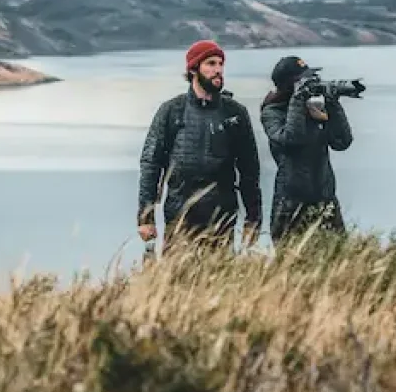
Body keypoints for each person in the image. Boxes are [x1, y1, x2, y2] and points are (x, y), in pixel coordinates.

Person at [137, 39, 262, 254]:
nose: (218, 70)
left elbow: (249, 169)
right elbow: (151, 163)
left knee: (219, 280)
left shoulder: (235, 113)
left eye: (221, 64)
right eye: (211, 64)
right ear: (194, 69)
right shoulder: (172, 111)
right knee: (176, 281)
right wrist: (145, 217)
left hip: (221, 213)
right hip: (180, 212)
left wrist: (253, 218)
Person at [260, 54, 353, 245]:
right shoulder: (272, 112)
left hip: (325, 199)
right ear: (288, 85)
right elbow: (291, 140)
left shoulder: (315, 108)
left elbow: (342, 142)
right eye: (304, 81)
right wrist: (298, 100)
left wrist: (333, 104)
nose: (311, 84)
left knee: (338, 262)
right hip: (290, 205)